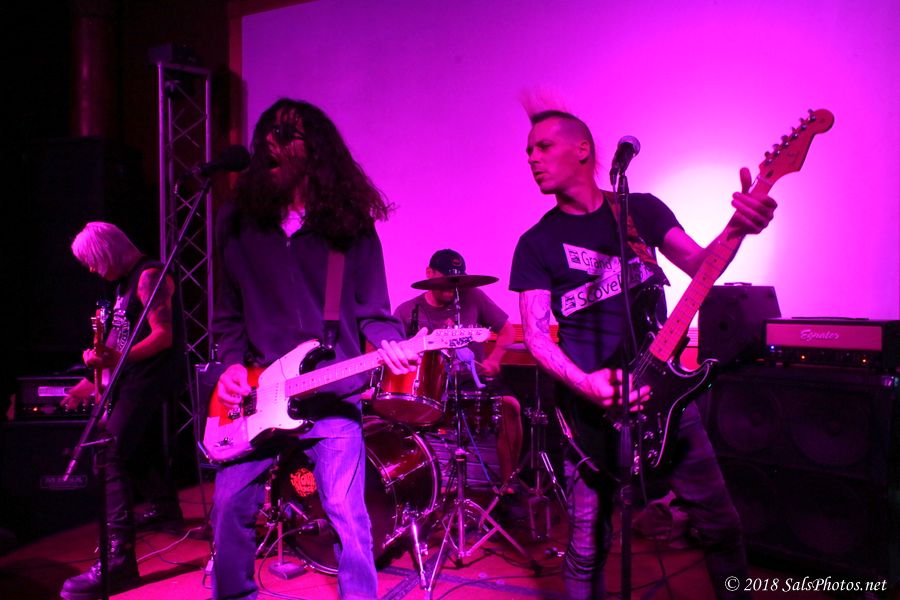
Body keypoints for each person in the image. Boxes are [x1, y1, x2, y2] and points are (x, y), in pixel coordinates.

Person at [509, 109, 776, 599]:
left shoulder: (641, 211)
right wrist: (586, 384)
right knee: (587, 547)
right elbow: (536, 337)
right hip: (590, 412)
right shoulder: (536, 243)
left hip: (668, 398)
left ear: (583, 149)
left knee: (721, 525)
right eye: (528, 150)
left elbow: (702, 265)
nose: (531, 158)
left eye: (542, 146)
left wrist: (739, 227)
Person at [210, 98, 419, 600]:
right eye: (267, 131)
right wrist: (231, 365)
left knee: (347, 514)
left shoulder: (348, 226)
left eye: (287, 133)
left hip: (331, 395)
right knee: (228, 508)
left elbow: (374, 309)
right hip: (259, 395)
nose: (271, 141)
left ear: (315, 150)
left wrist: (390, 343)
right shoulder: (237, 223)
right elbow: (227, 314)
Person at [59, 221, 184, 599]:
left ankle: (120, 562)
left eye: (93, 262)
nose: (92, 270)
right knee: (136, 447)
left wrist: (116, 359)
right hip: (133, 377)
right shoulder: (122, 287)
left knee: (110, 451)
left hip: (151, 378)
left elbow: (163, 336)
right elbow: (118, 342)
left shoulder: (149, 276)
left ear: (107, 252)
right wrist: (91, 379)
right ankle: (165, 509)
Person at [393, 249, 523, 496]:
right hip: (429, 386)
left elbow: (508, 331)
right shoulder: (407, 311)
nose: (451, 287)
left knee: (511, 405)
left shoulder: (473, 296)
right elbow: (394, 353)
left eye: (456, 280)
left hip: (472, 380)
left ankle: (508, 487)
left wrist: (495, 358)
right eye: (445, 280)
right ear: (429, 273)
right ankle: (419, 490)